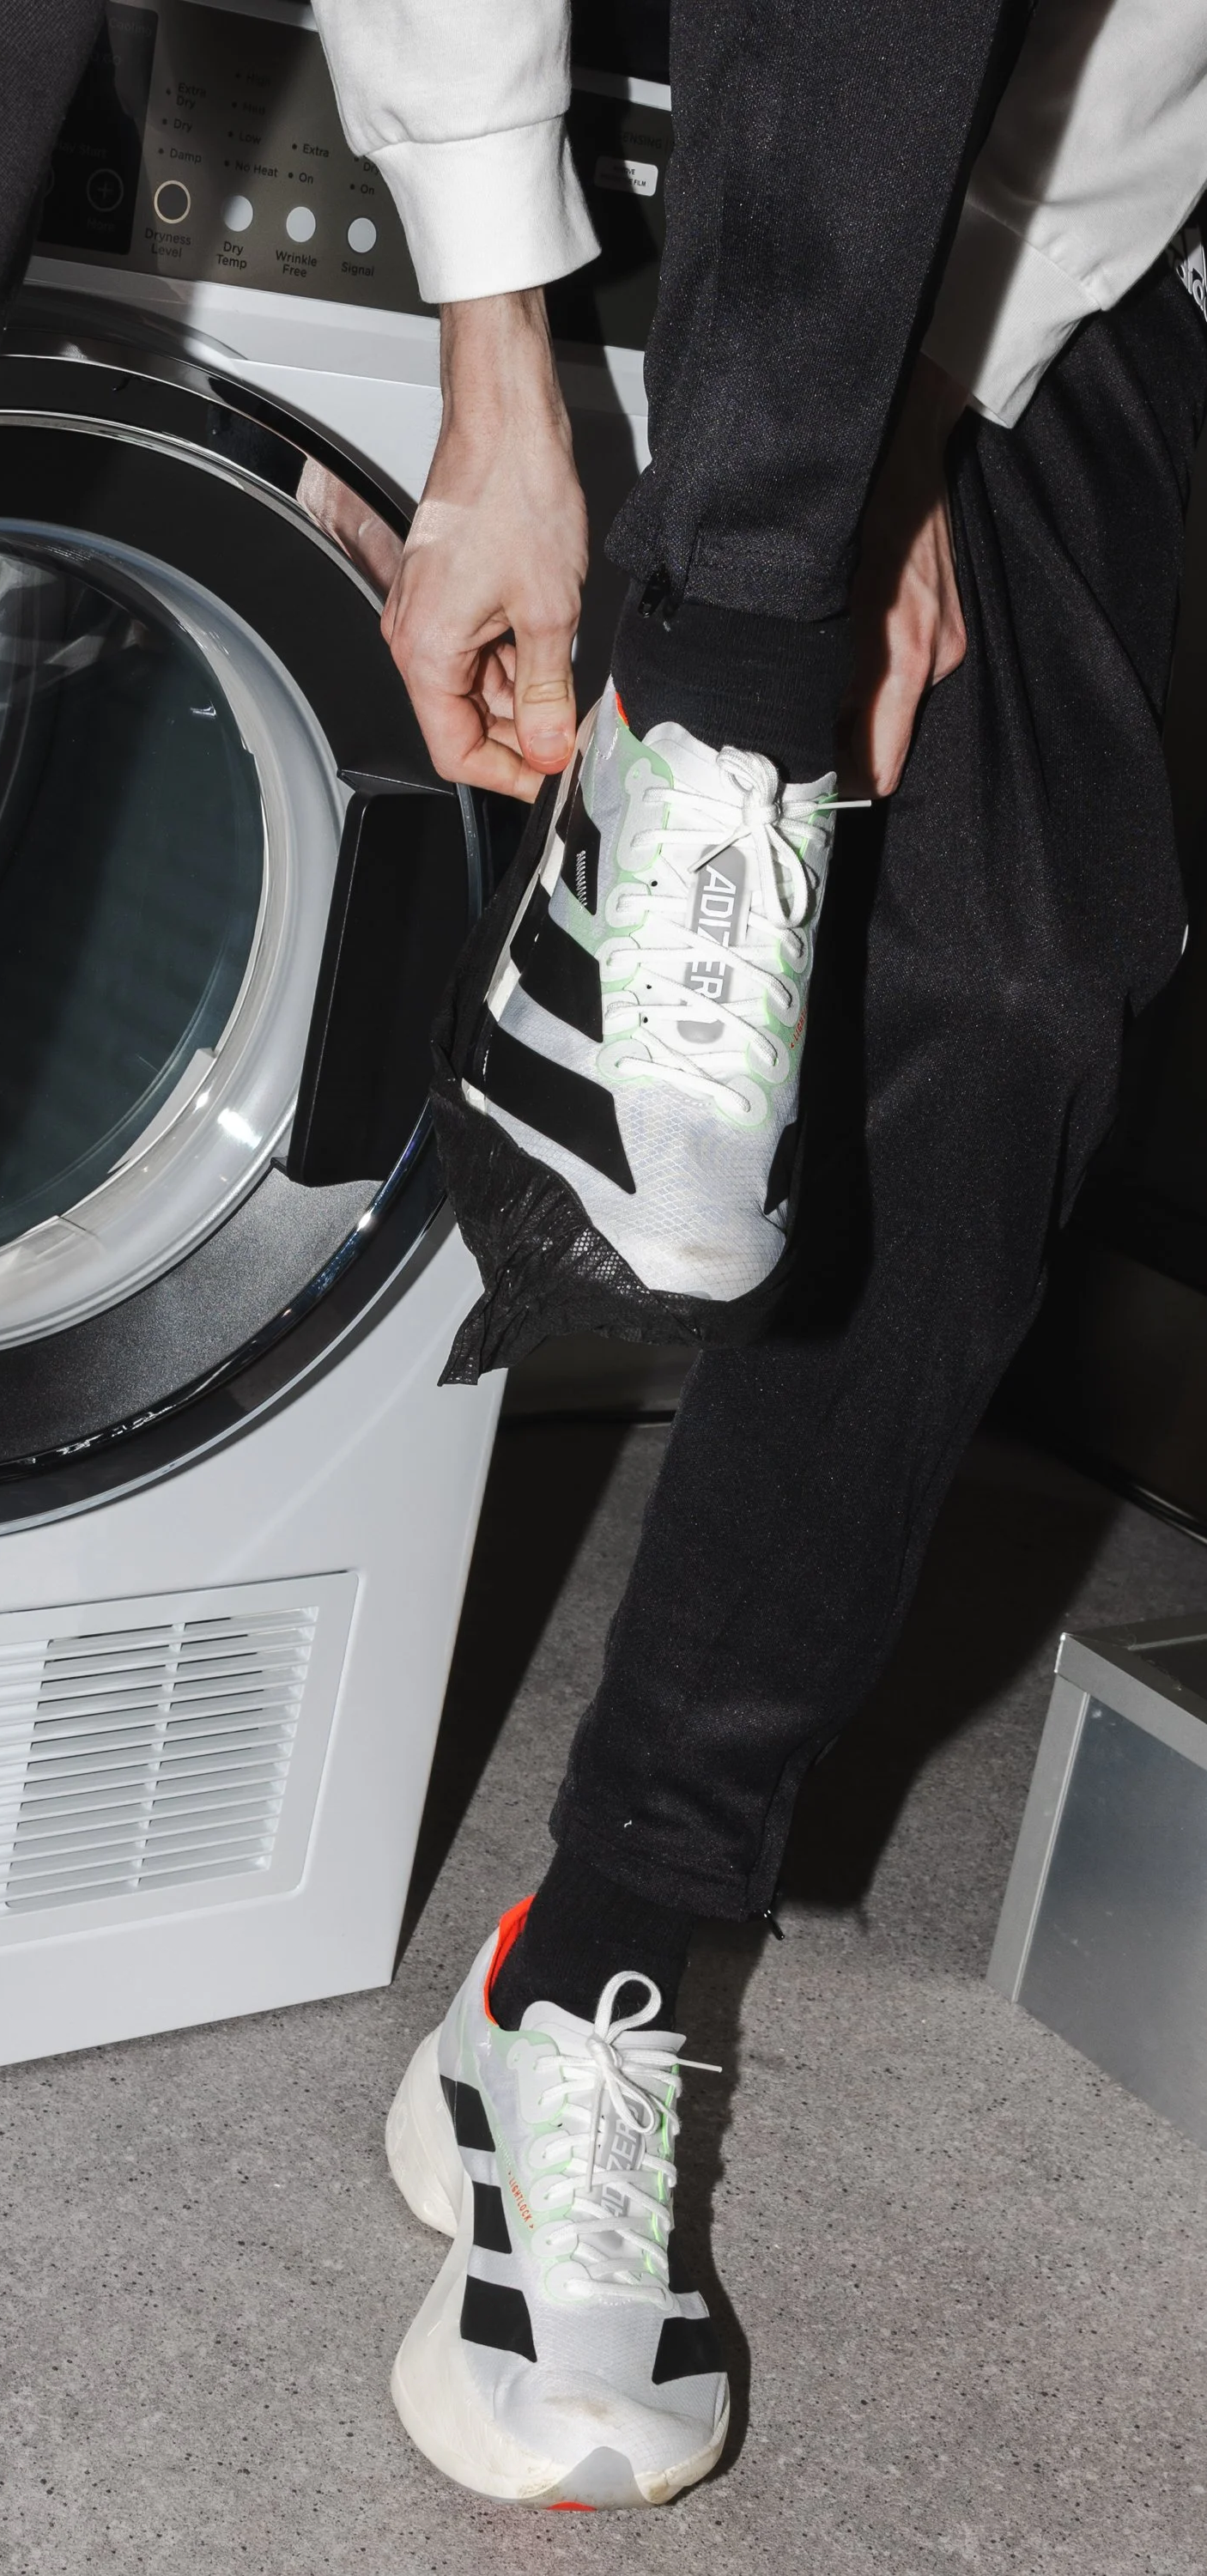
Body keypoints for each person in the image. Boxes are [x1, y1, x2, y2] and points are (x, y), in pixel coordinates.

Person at [309, 0, 1207, 2512]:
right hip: (614, 107)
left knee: (1016, 997)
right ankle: (684, 769)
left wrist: (898, 433)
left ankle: (593, 1962)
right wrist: (496, 344)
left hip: (1060, 229)